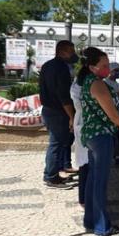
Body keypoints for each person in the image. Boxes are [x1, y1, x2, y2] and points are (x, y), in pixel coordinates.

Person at [78, 47, 119, 236]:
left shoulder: (89, 81)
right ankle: (102, 225)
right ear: (92, 67)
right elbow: (112, 113)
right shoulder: (97, 84)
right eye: (104, 65)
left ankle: (90, 219)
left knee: (92, 179)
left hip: (91, 135)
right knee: (100, 181)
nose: (108, 68)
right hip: (101, 135)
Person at [39, 40, 79, 189]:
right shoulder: (61, 68)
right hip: (58, 111)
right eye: (71, 51)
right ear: (62, 51)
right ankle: (51, 177)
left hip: (49, 110)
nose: (73, 55)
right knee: (56, 144)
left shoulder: (47, 65)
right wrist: (71, 116)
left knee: (59, 142)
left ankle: (56, 172)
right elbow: (63, 95)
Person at [70, 74, 90, 207]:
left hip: (82, 123)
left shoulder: (77, 84)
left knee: (85, 163)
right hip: (86, 124)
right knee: (86, 164)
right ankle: (85, 198)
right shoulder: (87, 84)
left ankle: (84, 197)